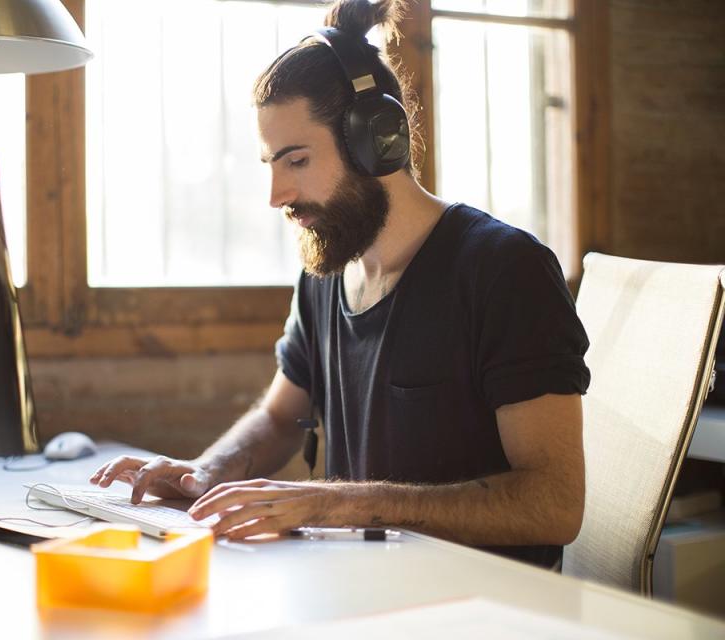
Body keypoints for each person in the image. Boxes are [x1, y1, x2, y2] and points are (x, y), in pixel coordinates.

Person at [90, 0, 590, 568]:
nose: (276, 195)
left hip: (485, 609)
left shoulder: (504, 270)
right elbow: (280, 419)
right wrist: (206, 471)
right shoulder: (325, 273)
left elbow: (554, 504)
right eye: (270, 165)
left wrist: (332, 504)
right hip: (357, 586)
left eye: (296, 161)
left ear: (376, 140)